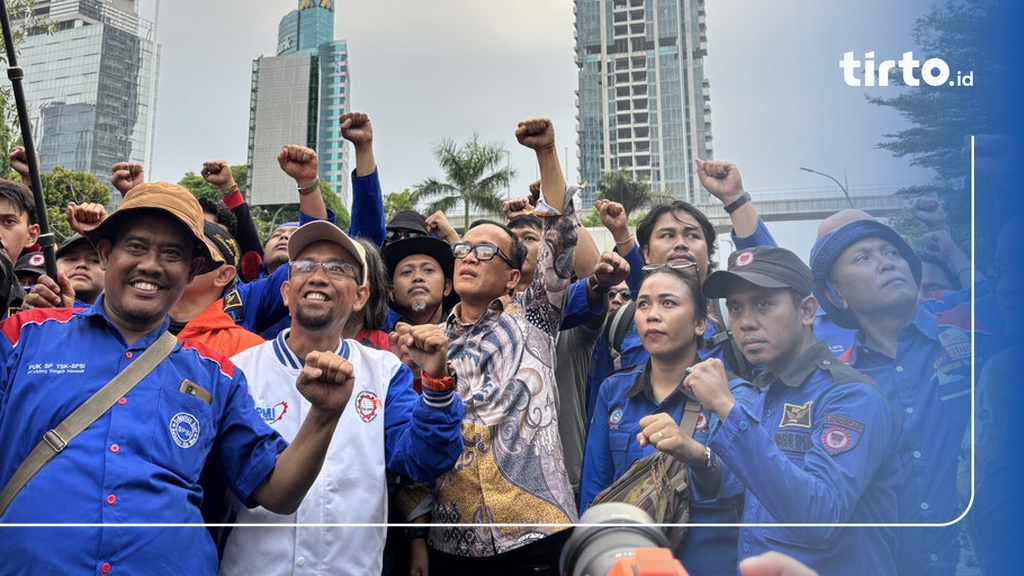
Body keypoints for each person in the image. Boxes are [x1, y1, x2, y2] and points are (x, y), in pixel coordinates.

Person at [0, 182, 355, 574]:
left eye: (172, 253)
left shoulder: (216, 374)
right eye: (136, 246)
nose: (151, 264)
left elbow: (277, 491)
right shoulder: (24, 336)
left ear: (193, 271)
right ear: (105, 253)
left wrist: (323, 415)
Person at [218, 220, 464, 576]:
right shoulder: (239, 371)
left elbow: (423, 459)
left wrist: (437, 383)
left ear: (361, 296)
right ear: (286, 292)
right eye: (305, 266)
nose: (318, 277)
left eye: (337, 269)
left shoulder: (383, 371)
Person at [691, 246, 903, 575]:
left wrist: (726, 408)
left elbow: (819, 517)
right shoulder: (766, 395)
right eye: (735, 307)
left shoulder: (850, 396)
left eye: (763, 304)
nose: (745, 322)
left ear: (806, 311)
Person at [426, 118, 578, 574]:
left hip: (537, 532)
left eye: (486, 251)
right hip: (452, 540)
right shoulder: (431, 342)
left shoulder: (533, 318)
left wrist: (546, 153)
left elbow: (561, 237)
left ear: (513, 276)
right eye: (463, 250)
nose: (469, 256)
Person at [809, 217, 988, 575]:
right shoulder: (838, 386)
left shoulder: (974, 325)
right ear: (836, 295)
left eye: (892, 252)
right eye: (863, 258)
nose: (887, 262)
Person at [580, 266, 757, 575]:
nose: (652, 314)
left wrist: (699, 457)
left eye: (668, 303)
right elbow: (595, 488)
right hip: (628, 565)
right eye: (644, 304)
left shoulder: (733, 395)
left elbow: (745, 484)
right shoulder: (614, 391)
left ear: (701, 323)